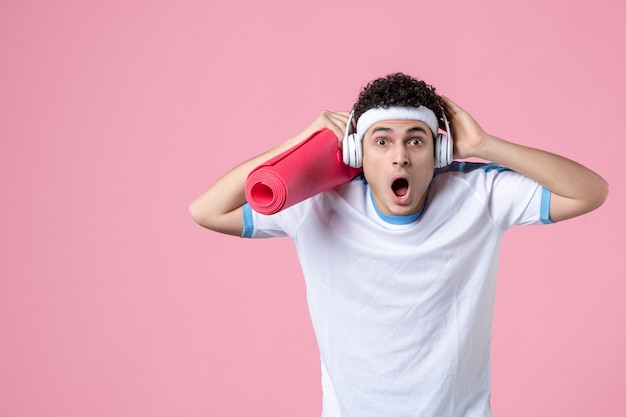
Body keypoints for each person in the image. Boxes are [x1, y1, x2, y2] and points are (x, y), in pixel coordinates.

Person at [189, 73, 608, 417]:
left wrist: (485, 146)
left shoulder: (480, 194)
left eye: (416, 140)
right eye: (382, 141)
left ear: (439, 151)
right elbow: (206, 210)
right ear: (357, 152)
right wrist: (297, 146)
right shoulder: (314, 202)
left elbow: (590, 192)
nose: (400, 157)